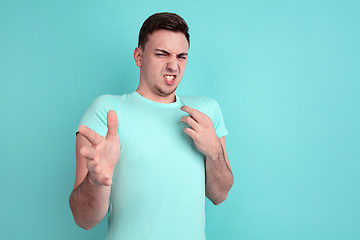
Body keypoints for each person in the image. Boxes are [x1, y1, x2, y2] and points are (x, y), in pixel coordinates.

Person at [69, 12, 233, 240]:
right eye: (161, 54)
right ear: (139, 56)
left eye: (181, 56)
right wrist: (96, 181)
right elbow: (83, 219)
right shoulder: (107, 111)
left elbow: (220, 195)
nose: (173, 66)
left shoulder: (206, 110)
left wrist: (215, 152)